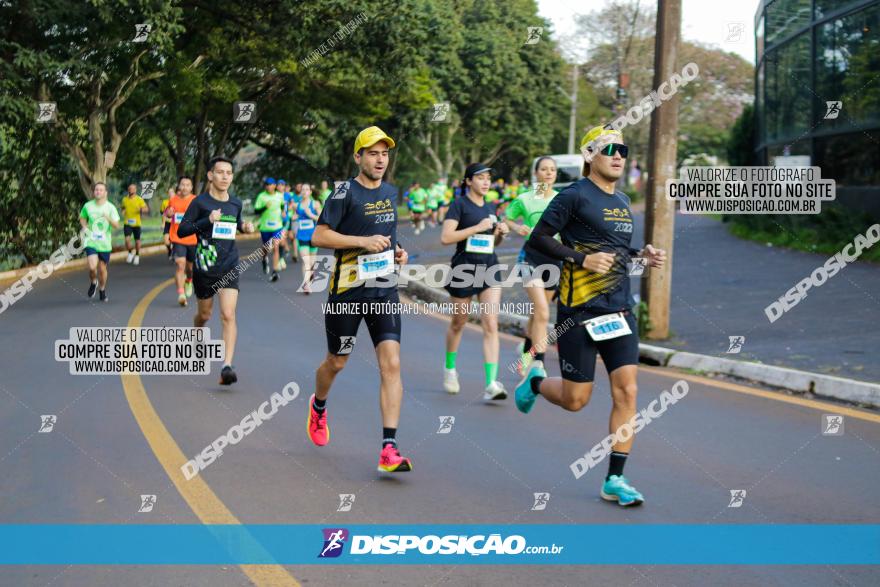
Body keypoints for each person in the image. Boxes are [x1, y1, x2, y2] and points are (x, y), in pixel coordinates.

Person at [514, 125, 667, 507]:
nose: (618, 155)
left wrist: (640, 257)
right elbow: (539, 239)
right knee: (574, 400)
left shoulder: (623, 200)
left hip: (618, 310)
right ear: (589, 155)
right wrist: (581, 259)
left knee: (627, 391)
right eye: (609, 149)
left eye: (623, 150)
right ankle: (534, 383)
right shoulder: (574, 195)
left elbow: (614, 251)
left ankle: (614, 478)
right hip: (579, 313)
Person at [308, 126, 412, 473]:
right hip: (347, 291)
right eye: (373, 153)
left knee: (392, 364)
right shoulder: (342, 192)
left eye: (384, 153)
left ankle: (389, 448)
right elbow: (319, 235)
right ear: (358, 157)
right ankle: (319, 406)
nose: (380, 159)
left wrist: (397, 252)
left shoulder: (391, 192)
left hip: (383, 289)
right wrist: (360, 242)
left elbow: (386, 237)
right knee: (337, 363)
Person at [177, 156, 256, 385]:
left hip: (229, 265)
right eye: (220, 172)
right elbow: (183, 231)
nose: (225, 177)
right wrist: (207, 221)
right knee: (205, 315)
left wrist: (244, 227)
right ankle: (197, 332)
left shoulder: (235, 203)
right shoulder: (200, 203)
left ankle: (227, 366)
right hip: (205, 268)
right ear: (210, 175)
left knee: (228, 314)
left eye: (229, 173)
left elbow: (236, 224)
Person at [440, 163, 510, 400]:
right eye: (480, 178)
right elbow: (446, 237)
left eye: (488, 178)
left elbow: (494, 243)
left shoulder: (491, 208)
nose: (486, 182)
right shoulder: (459, 205)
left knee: (491, 323)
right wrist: (476, 228)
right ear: (469, 181)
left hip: (489, 268)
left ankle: (491, 384)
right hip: (464, 269)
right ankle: (450, 369)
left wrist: (499, 233)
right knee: (459, 322)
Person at [504, 157, 561, 376]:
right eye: (544, 169)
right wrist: (516, 227)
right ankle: (539, 365)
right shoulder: (525, 199)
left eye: (552, 170)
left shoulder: (560, 199)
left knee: (538, 313)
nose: (548, 173)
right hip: (530, 258)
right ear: (536, 173)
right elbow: (508, 218)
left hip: (554, 260)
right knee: (543, 313)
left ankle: (525, 357)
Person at [79, 182, 121, 302]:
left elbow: (117, 225)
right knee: (92, 267)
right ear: (94, 192)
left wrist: (108, 218)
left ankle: (102, 290)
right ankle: (93, 282)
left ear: (105, 193)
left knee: (102, 269)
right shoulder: (88, 206)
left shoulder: (110, 207)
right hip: (91, 241)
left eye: (101, 190)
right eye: (96, 190)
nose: (98, 192)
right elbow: (82, 218)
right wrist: (85, 228)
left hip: (104, 243)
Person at [164, 175, 197, 306]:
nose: (184, 187)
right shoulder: (173, 200)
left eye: (187, 185)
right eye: (182, 184)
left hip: (193, 239)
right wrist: (169, 213)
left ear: (191, 187)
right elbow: (167, 213)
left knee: (190, 268)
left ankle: (189, 280)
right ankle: (181, 293)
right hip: (177, 238)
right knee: (180, 265)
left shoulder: (196, 200)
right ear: (179, 186)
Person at [254, 176, 285, 282]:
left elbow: (282, 205)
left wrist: (283, 211)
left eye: (270, 184)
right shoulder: (261, 196)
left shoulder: (280, 196)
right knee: (266, 248)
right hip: (265, 227)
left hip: (277, 226)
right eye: (266, 184)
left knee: (275, 247)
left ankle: (275, 271)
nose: (268, 186)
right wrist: (264, 207)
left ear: (274, 186)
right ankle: (264, 259)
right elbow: (256, 211)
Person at [294, 183, 321, 294]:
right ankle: (306, 284)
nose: (304, 191)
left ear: (310, 192)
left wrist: (311, 215)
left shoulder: (315, 204)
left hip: (313, 236)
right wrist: (294, 217)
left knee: (312, 262)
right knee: (306, 261)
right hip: (301, 236)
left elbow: (321, 219)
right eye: (303, 189)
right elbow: (294, 216)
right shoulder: (297, 205)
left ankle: (310, 275)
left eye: (307, 189)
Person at [121, 183, 149, 265]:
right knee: (127, 240)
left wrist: (140, 210)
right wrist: (123, 212)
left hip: (137, 223)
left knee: (137, 241)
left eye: (133, 189)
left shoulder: (139, 199)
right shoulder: (124, 199)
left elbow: (146, 209)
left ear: (135, 190)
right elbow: (123, 208)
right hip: (127, 223)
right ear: (128, 190)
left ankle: (137, 255)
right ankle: (130, 252)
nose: (131, 190)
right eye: (130, 189)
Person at [161, 189, 173, 259]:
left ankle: (175, 253)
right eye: (169, 192)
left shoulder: (178, 202)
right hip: (167, 223)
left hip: (175, 225)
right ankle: (170, 250)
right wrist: (163, 223)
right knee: (166, 241)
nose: (170, 194)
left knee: (174, 241)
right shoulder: (165, 202)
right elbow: (163, 214)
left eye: (172, 192)